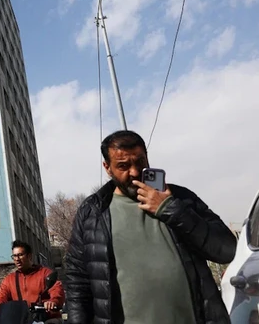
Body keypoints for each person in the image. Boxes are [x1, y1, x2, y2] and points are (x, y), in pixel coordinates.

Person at [64, 130, 237, 324]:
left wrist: (170, 208)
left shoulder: (181, 198)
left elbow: (227, 250)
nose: (134, 172)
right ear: (107, 167)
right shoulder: (92, 213)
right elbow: (77, 282)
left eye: (140, 162)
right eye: (123, 166)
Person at [0, 240, 65, 323]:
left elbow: (57, 289)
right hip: (21, 320)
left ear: (29, 256)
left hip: (45, 318)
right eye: (14, 256)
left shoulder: (45, 273)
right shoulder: (9, 280)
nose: (17, 259)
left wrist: (53, 301)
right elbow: (1, 299)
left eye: (20, 255)